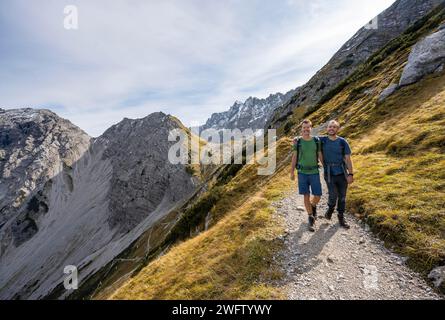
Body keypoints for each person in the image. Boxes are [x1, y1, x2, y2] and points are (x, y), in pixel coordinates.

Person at [320, 120, 354, 229]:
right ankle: (330, 209)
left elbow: (348, 159)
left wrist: (351, 174)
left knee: (342, 197)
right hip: (329, 173)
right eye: (330, 126)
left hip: (342, 172)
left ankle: (341, 216)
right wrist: (297, 139)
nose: (331, 128)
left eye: (334, 127)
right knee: (333, 195)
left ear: (337, 129)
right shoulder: (322, 140)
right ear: (327, 128)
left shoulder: (343, 142)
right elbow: (308, 138)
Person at [290, 120, 323, 232]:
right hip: (302, 173)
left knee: (318, 195)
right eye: (304, 128)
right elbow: (294, 157)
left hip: (314, 172)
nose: (306, 129)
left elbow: (319, 154)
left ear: (311, 128)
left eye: (308, 127)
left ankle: (313, 205)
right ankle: (310, 217)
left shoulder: (316, 140)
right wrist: (291, 172)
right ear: (301, 129)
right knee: (306, 195)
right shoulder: (298, 142)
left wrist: (325, 167)